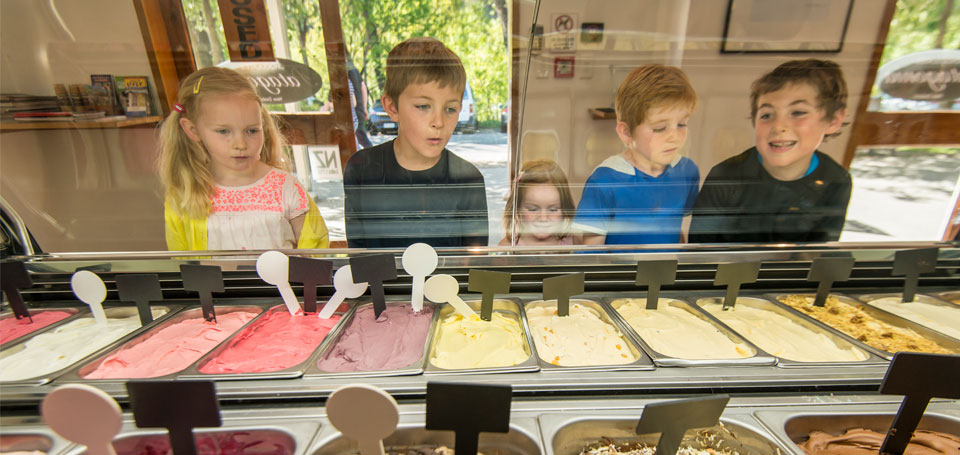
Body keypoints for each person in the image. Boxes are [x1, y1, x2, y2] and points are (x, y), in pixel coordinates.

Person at [159, 66, 329, 251]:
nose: (240, 144)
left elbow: (313, 253)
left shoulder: (285, 187)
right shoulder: (184, 195)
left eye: (252, 131)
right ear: (193, 130)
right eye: (224, 131)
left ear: (262, 126)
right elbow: (184, 263)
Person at [343, 37, 488, 249]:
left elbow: (473, 264)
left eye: (450, 109)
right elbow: (361, 257)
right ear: (392, 107)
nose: (438, 122)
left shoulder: (467, 180)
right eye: (423, 106)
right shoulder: (362, 169)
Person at [689, 59, 851, 244]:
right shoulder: (726, 175)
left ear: (834, 120)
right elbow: (701, 252)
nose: (778, 126)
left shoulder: (836, 180)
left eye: (798, 112)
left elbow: (820, 253)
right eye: (767, 115)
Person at [573, 64, 700, 245]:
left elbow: (677, 232)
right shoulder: (604, 180)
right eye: (660, 128)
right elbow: (591, 252)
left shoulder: (686, 172)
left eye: (682, 124)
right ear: (626, 133)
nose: (674, 137)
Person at [500, 160, 576, 246]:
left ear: (565, 209)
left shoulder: (573, 243)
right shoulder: (508, 246)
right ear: (517, 209)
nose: (543, 218)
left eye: (553, 210)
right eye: (533, 209)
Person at [347, 55, 373, 149]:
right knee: (360, 138)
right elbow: (363, 87)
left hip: (351, 112)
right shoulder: (354, 70)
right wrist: (364, 108)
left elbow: (352, 100)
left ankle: (375, 159)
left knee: (360, 139)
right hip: (359, 110)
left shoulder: (343, 72)